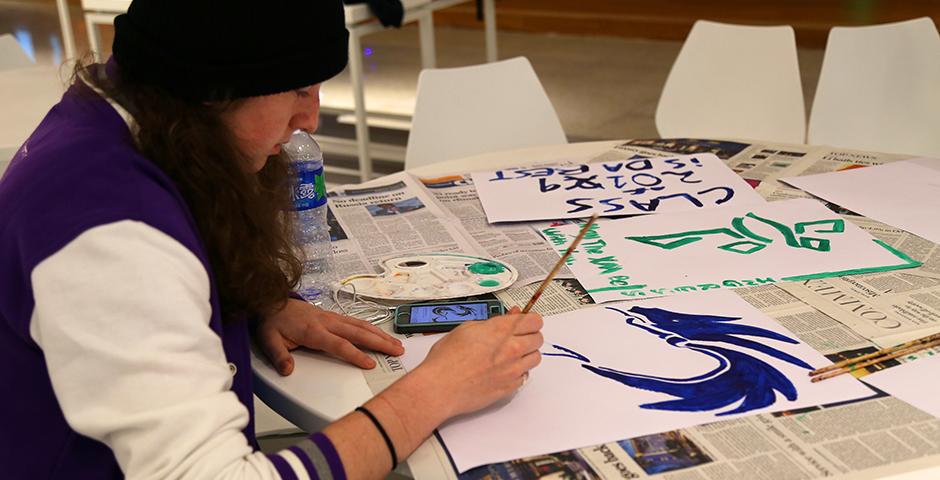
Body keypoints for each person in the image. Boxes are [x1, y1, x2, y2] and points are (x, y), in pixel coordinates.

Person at [0, 1, 544, 478]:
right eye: (297, 89)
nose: (310, 117)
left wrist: (249, 303)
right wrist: (437, 389)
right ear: (213, 88)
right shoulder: (111, 234)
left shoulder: (124, 115)